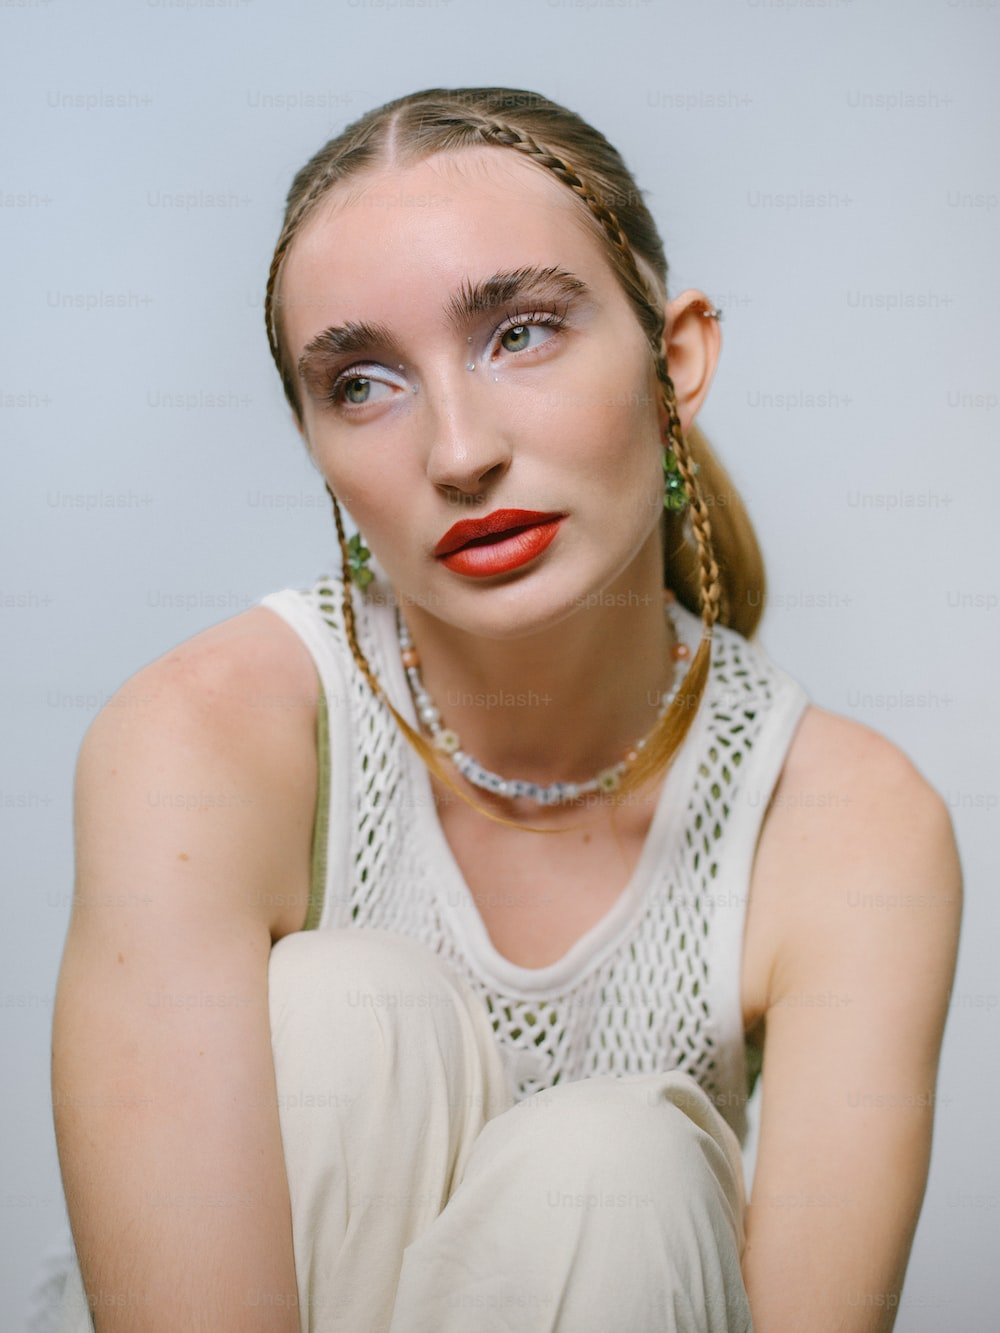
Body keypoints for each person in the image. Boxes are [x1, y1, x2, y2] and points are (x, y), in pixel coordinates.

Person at [48, 87, 962, 1332]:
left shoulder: (850, 824)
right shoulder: (202, 740)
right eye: (363, 382)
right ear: (316, 443)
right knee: (348, 1010)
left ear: (674, 362)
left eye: (521, 332)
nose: (459, 449)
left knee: (614, 1174)